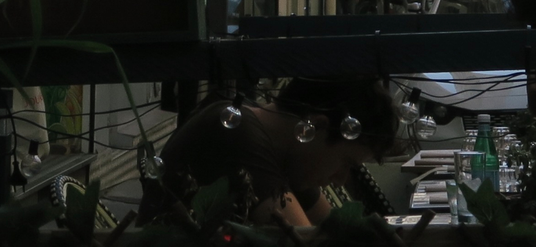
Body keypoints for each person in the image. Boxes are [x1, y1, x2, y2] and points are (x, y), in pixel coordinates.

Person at [156, 78, 410, 227]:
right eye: (345, 163)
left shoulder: (287, 156)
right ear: (317, 126)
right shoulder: (238, 133)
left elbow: (333, 231)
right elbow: (301, 238)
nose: (340, 179)